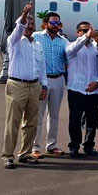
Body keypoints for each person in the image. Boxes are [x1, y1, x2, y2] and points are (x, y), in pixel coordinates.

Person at [1, 2, 47, 169]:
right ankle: (8, 156)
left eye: (32, 23)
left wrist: (44, 86)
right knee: (13, 122)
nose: (29, 25)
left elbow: (42, 67)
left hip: (34, 85)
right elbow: (19, 27)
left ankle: (25, 154)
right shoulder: (14, 41)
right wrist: (24, 14)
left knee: (32, 122)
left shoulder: (37, 44)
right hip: (17, 85)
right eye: (27, 23)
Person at [31, 12, 68, 158]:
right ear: (45, 24)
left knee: (54, 115)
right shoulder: (36, 37)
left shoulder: (63, 41)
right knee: (38, 115)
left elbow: (68, 60)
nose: (55, 25)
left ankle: (52, 145)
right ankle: (34, 147)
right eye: (52, 22)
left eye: (58, 23)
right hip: (41, 80)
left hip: (58, 79)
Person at [65, 22, 98, 158]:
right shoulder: (72, 46)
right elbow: (71, 51)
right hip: (76, 89)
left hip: (93, 90)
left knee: (92, 119)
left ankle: (89, 145)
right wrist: (85, 37)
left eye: (89, 30)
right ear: (78, 33)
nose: (88, 32)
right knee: (75, 120)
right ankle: (74, 145)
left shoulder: (96, 48)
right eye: (84, 30)